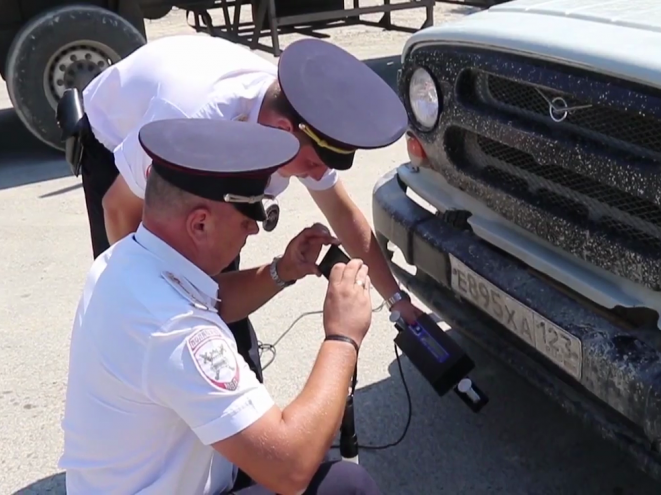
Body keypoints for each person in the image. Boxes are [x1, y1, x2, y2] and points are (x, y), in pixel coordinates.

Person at [74, 33, 424, 383]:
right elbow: (119, 209)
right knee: (151, 312)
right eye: (314, 165)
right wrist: (146, 303)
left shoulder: (301, 123)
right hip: (116, 142)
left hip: (206, 122)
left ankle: (235, 386)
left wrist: (396, 299)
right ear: (283, 131)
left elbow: (344, 216)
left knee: (215, 290)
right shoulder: (192, 117)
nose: (319, 174)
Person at [59, 117, 381, 495]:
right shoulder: (177, 331)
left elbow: (211, 298)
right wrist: (343, 336)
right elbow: (289, 467)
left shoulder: (126, 260)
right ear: (199, 225)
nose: (254, 230)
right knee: (345, 483)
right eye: (248, 216)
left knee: (308, 447)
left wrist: (282, 270)